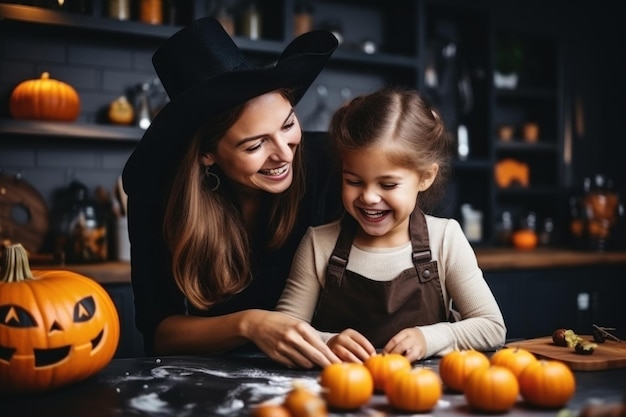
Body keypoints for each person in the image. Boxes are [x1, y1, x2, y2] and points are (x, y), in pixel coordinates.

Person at [122, 17, 344, 368]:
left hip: (332, 364)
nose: (285, 154)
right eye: (255, 145)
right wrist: (249, 325)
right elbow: (159, 333)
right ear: (207, 154)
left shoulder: (329, 163)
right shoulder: (159, 198)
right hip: (218, 377)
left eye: (287, 124)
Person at [276, 88, 506, 363]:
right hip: (342, 394)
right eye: (354, 181)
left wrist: (429, 338)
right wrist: (329, 341)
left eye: (388, 184)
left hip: (423, 397)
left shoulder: (444, 239)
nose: (369, 197)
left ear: (425, 177)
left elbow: (492, 328)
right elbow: (283, 331)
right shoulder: (319, 244)